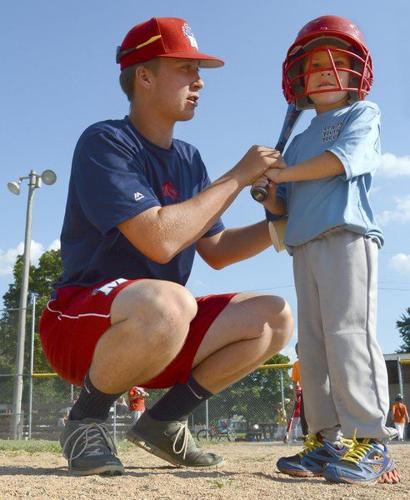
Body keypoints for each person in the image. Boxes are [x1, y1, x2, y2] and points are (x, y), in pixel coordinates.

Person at [39, 17, 293, 476]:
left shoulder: (189, 158)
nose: (198, 81)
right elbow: (160, 241)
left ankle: (162, 422)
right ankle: (86, 418)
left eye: (199, 71)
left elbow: (216, 249)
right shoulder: (106, 141)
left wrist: (280, 221)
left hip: (158, 330)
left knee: (273, 315)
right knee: (169, 302)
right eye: (185, 68)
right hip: (81, 326)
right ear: (145, 76)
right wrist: (237, 177)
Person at [253, 15, 400, 484]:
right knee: (312, 347)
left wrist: (282, 174)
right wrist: (268, 191)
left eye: (339, 61)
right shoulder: (297, 142)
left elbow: (341, 162)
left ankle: (371, 439)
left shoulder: (363, 114)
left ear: (357, 72)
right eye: (316, 63)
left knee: (347, 334)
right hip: (303, 244)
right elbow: (283, 210)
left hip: (346, 236)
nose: (326, 70)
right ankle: (322, 439)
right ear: (298, 76)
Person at [289, 343, 308, 439]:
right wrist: (295, 394)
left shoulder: (312, 362)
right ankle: (306, 435)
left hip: (315, 391)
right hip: (305, 391)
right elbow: (295, 381)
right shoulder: (296, 365)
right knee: (303, 415)